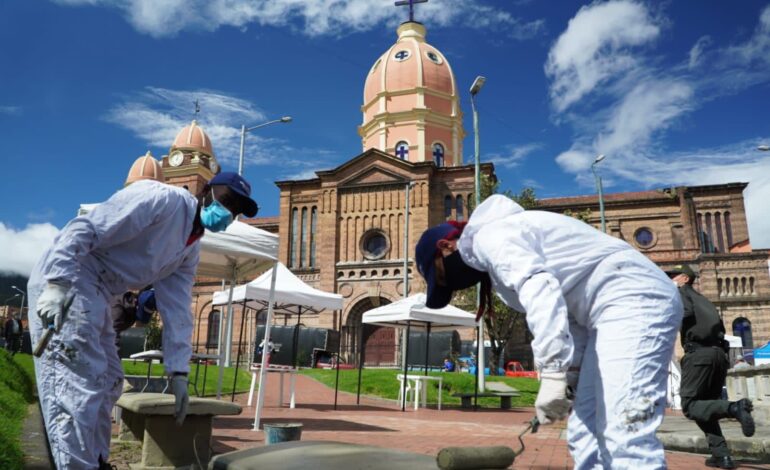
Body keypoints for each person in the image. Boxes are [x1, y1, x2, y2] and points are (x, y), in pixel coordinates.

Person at [415, 194, 683, 469]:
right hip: (605, 311)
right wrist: (570, 377)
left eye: (444, 277)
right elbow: (569, 316)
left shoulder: (491, 237)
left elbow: (542, 290)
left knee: (625, 432)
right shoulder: (497, 257)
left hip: (634, 296)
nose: (456, 284)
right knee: (584, 431)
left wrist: (553, 370)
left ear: (445, 247)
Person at [27, 172, 258, 469]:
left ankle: (95, 460)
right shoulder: (161, 200)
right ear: (206, 191)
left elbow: (177, 312)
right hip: (71, 275)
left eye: (237, 210)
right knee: (77, 383)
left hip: (99, 292)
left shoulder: (189, 249)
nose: (230, 213)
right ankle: (74, 464)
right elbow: (86, 229)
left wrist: (178, 373)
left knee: (110, 381)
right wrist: (57, 281)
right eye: (228, 201)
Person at [667, 265, 755, 469]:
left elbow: (684, 312)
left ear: (685, 279)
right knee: (706, 407)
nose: (671, 279)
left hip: (699, 355)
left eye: (674, 276)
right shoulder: (705, 300)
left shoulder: (681, 293)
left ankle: (735, 407)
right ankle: (721, 455)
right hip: (718, 355)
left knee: (690, 406)